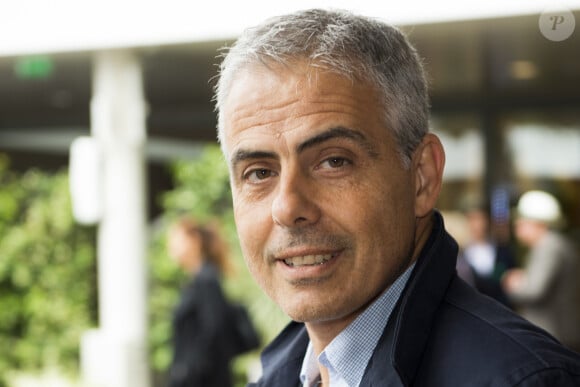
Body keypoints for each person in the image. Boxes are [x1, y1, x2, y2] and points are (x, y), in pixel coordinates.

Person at [213, 9, 580, 386]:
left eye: (334, 162)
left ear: (421, 177)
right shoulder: (284, 374)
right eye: (259, 172)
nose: (288, 207)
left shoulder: (527, 381)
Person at [166, 216, 257, 387]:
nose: (171, 246)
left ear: (195, 242)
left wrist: (190, 371)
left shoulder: (206, 280)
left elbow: (215, 330)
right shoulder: (195, 281)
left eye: (177, 240)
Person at [503, 190, 580, 352]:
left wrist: (514, 282)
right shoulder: (553, 244)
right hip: (558, 333)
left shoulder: (548, 246)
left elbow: (534, 290)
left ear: (538, 223)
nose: (517, 228)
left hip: (554, 335)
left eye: (521, 223)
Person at [456, 203, 516, 307]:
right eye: (472, 219)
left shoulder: (502, 250)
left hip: (501, 308)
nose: (477, 224)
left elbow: (510, 276)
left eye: (481, 219)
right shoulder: (460, 254)